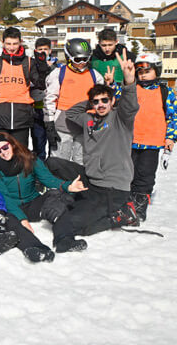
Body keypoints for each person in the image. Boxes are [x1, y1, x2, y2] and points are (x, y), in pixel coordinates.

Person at [58, 50, 141, 235]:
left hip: (112, 187)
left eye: (105, 100)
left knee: (83, 230)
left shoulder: (120, 119)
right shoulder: (90, 121)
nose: (101, 104)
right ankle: (69, 196)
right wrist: (89, 102)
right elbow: (71, 113)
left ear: (112, 101)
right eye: (96, 102)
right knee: (52, 163)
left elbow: (130, 106)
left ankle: (122, 214)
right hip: (92, 180)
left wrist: (129, 82)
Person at [0, 132, 89, 261]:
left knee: (58, 198)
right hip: (12, 207)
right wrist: (21, 218)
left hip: (33, 201)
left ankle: (64, 240)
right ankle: (34, 248)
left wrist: (67, 186)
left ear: (12, 144)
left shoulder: (30, 159)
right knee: (8, 220)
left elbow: (48, 179)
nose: (3, 152)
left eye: (5, 147)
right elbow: (3, 197)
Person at [127, 53, 177, 221]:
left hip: (151, 143)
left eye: (147, 70)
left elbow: (174, 116)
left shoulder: (165, 92)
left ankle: (140, 208)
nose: (142, 74)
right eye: (139, 70)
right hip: (130, 141)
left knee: (145, 176)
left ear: (156, 70)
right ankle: (125, 206)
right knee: (128, 174)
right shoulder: (131, 88)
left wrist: (170, 138)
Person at [0, 27, 47, 146]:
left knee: (20, 156)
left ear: (20, 42)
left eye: (15, 44)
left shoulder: (28, 62)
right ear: (3, 43)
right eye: (8, 44)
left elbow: (40, 84)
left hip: (21, 118)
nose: (11, 48)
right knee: (0, 155)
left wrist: (42, 67)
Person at [43, 38, 103, 164]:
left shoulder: (94, 75)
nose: (82, 63)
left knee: (81, 161)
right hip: (63, 125)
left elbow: (101, 101)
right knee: (60, 160)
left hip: (85, 125)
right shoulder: (59, 73)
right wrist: (49, 123)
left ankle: (81, 182)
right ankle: (57, 183)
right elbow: (50, 98)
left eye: (85, 59)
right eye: (77, 59)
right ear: (69, 57)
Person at [31, 37, 57, 160]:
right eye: (40, 49)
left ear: (50, 51)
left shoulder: (56, 66)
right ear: (35, 51)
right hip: (36, 110)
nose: (42, 52)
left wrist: (50, 68)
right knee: (38, 145)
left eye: (45, 49)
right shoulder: (32, 66)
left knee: (54, 144)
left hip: (52, 111)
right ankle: (39, 170)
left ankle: (53, 169)